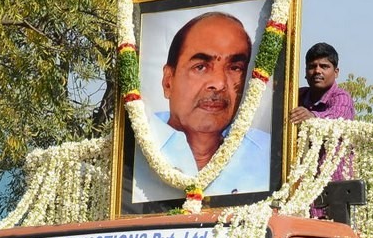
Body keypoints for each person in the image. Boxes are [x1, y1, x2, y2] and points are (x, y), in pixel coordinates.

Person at [149, 11, 270, 195]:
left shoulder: (266, 153)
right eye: (201, 67)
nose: (219, 84)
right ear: (168, 81)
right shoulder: (140, 145)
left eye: (235, 68)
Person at [291, 42, 356, 182]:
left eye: (324, 66)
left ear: (336, 72)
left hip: (334, 189)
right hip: (299, 187)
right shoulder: (296, 96)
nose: (317, 71)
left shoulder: (342, 98)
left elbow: (336, 120)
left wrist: (313, 117)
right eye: (312, 66)